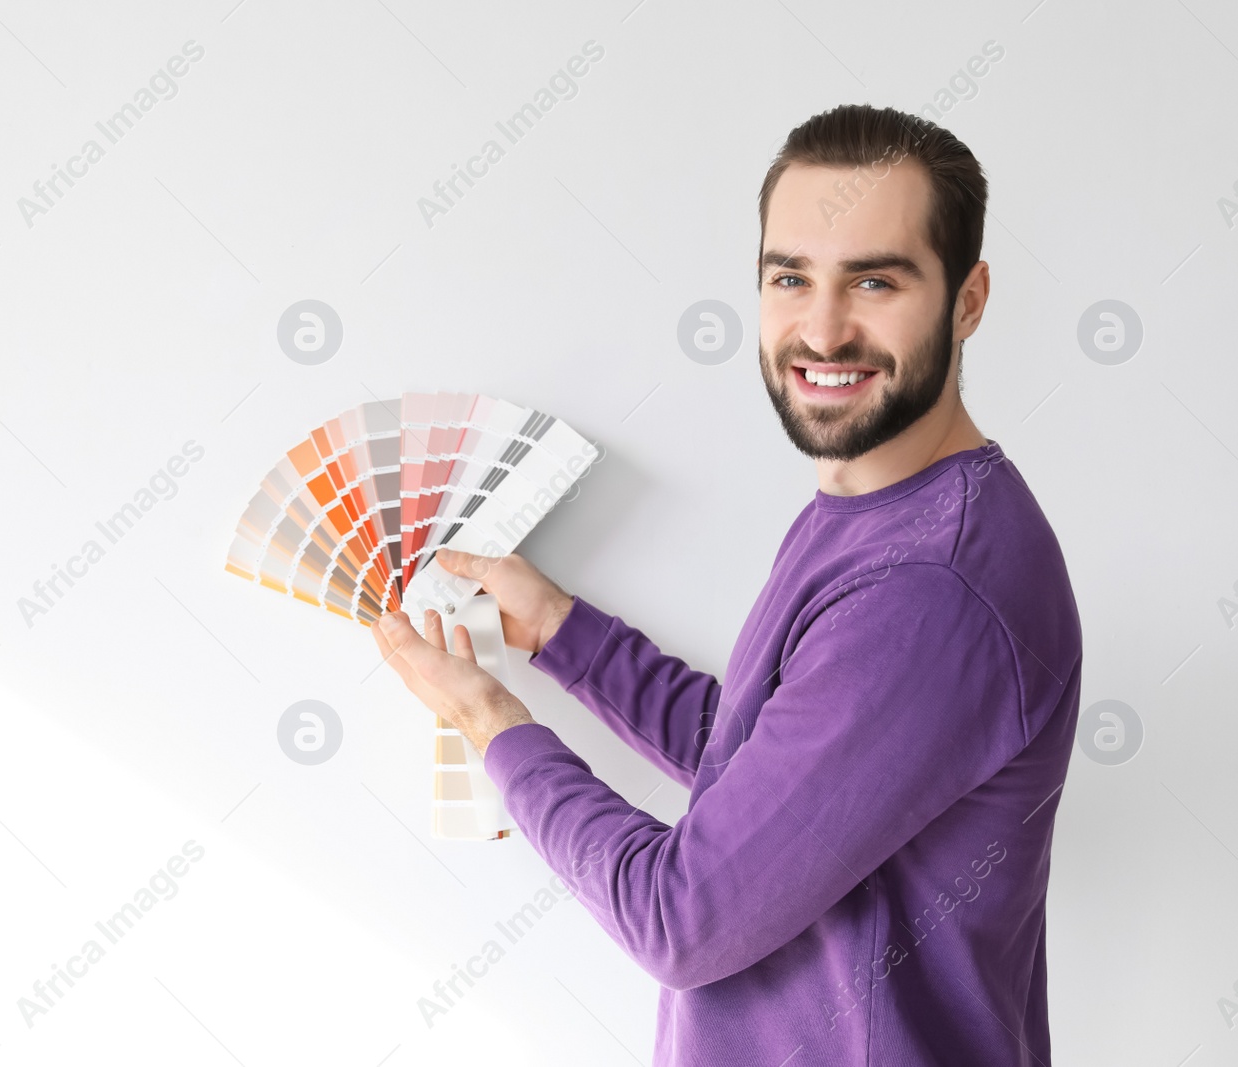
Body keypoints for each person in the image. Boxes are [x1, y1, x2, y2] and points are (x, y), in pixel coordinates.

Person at [373, 102, 1081, 1066]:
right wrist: (568, 636)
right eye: (790, 277)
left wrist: (492, 721)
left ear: (968, 298)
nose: (822, 330)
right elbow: (773, 769)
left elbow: (681, 920)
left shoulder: (931, 584)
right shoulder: (877, 506)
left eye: (875, 280)